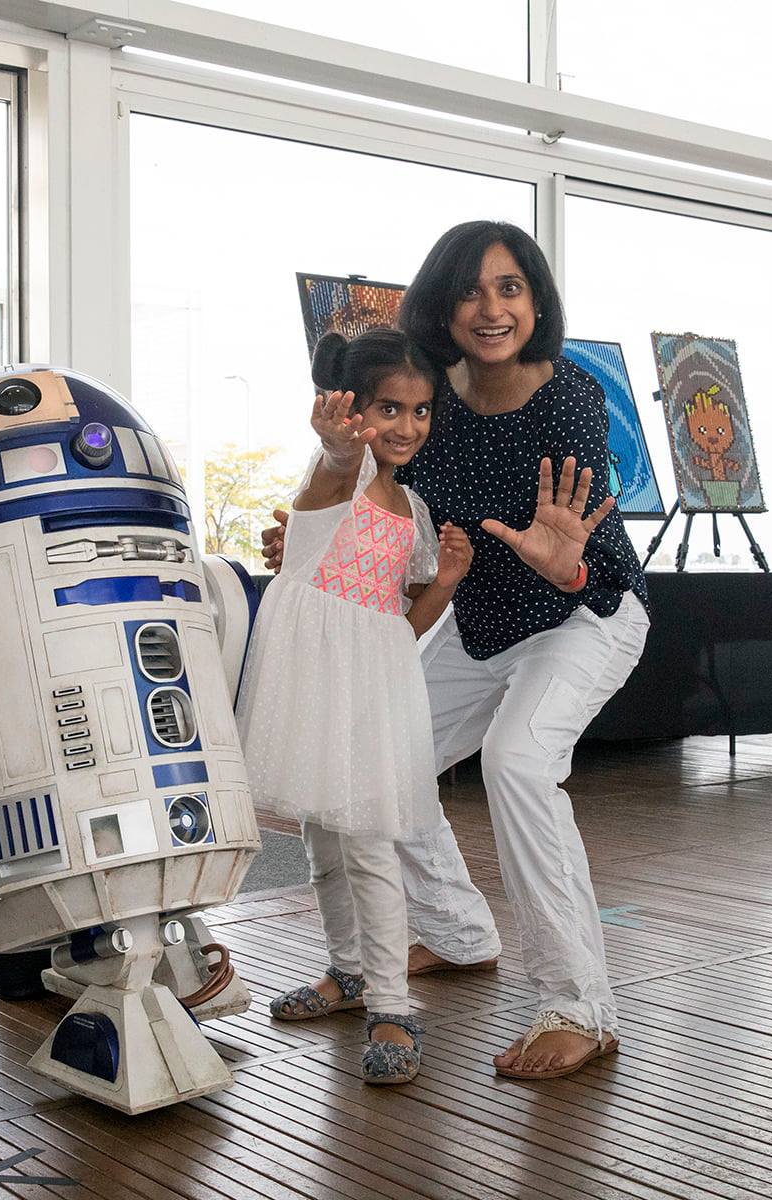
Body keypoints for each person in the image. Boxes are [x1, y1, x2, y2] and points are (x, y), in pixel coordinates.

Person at [263, 220, 650, 1081]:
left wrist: (567, 558)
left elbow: (572, 539)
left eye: (511, 287)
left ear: (536, 301)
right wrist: (309, 535)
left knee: (517, 760)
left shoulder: (569, 398)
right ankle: (455, 931)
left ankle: (579, 1002)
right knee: (377, 756)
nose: (491, 307)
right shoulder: (425, 394)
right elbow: (369, 497)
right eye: (472, 289)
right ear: (441, 304)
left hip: (585, 610)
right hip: (479, 622)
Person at [239, 329, 473, 1085]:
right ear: (353, 409)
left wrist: (444, 585)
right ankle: (346, 974)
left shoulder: (412, 505)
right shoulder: (334, 477)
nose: (406, 426)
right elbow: (339, 466)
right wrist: (340, 445)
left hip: (373, 685)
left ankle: (394, 1004)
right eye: (387, 408)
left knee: (369, 845)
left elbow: (400, 625)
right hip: (311, 687)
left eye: (420, 410)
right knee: (324, 846)